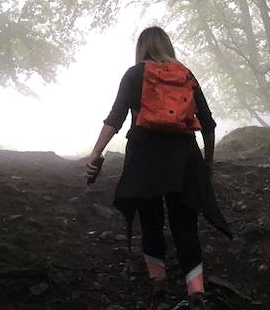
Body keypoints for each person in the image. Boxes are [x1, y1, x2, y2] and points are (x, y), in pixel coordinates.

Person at [86, 26, 231, 309]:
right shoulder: (185, 74)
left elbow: (115, 118)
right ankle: (196, 294)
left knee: (151, 223)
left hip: (144, 156)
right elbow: (209, 125)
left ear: (141, 48)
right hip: (184, 157)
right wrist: (207, 162)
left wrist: (95, 153)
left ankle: (159, 290)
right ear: (168, 46)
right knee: (185, 226)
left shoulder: (134, 74)